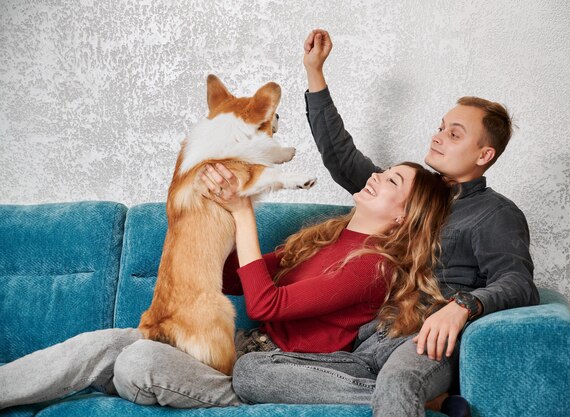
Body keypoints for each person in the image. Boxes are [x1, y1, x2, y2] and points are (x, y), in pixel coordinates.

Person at [230, 29, 539, 417]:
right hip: (369, 341)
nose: (439, 136)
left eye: (455, 134)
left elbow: (517, 282)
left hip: (424, 336)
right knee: (251, 372)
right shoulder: (407, 193)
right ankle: (426, 405)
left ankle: (406, 396)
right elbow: (342, 159)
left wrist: (462, 306)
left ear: (484, 154)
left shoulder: (494, 213)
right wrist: (315, 73)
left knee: (398, 383)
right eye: (441, 126)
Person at [0, 161, 454, 410]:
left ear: (403, 215)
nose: (376, 175)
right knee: (107, 343)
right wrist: (210, 208)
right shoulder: (328, 238)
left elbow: (265, 302)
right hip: (230, 348)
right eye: (385, 170)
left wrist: (243, 211)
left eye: (392, 180)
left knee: (137, 362)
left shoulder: (372, 266)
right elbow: (227, 277)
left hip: (270, 372)